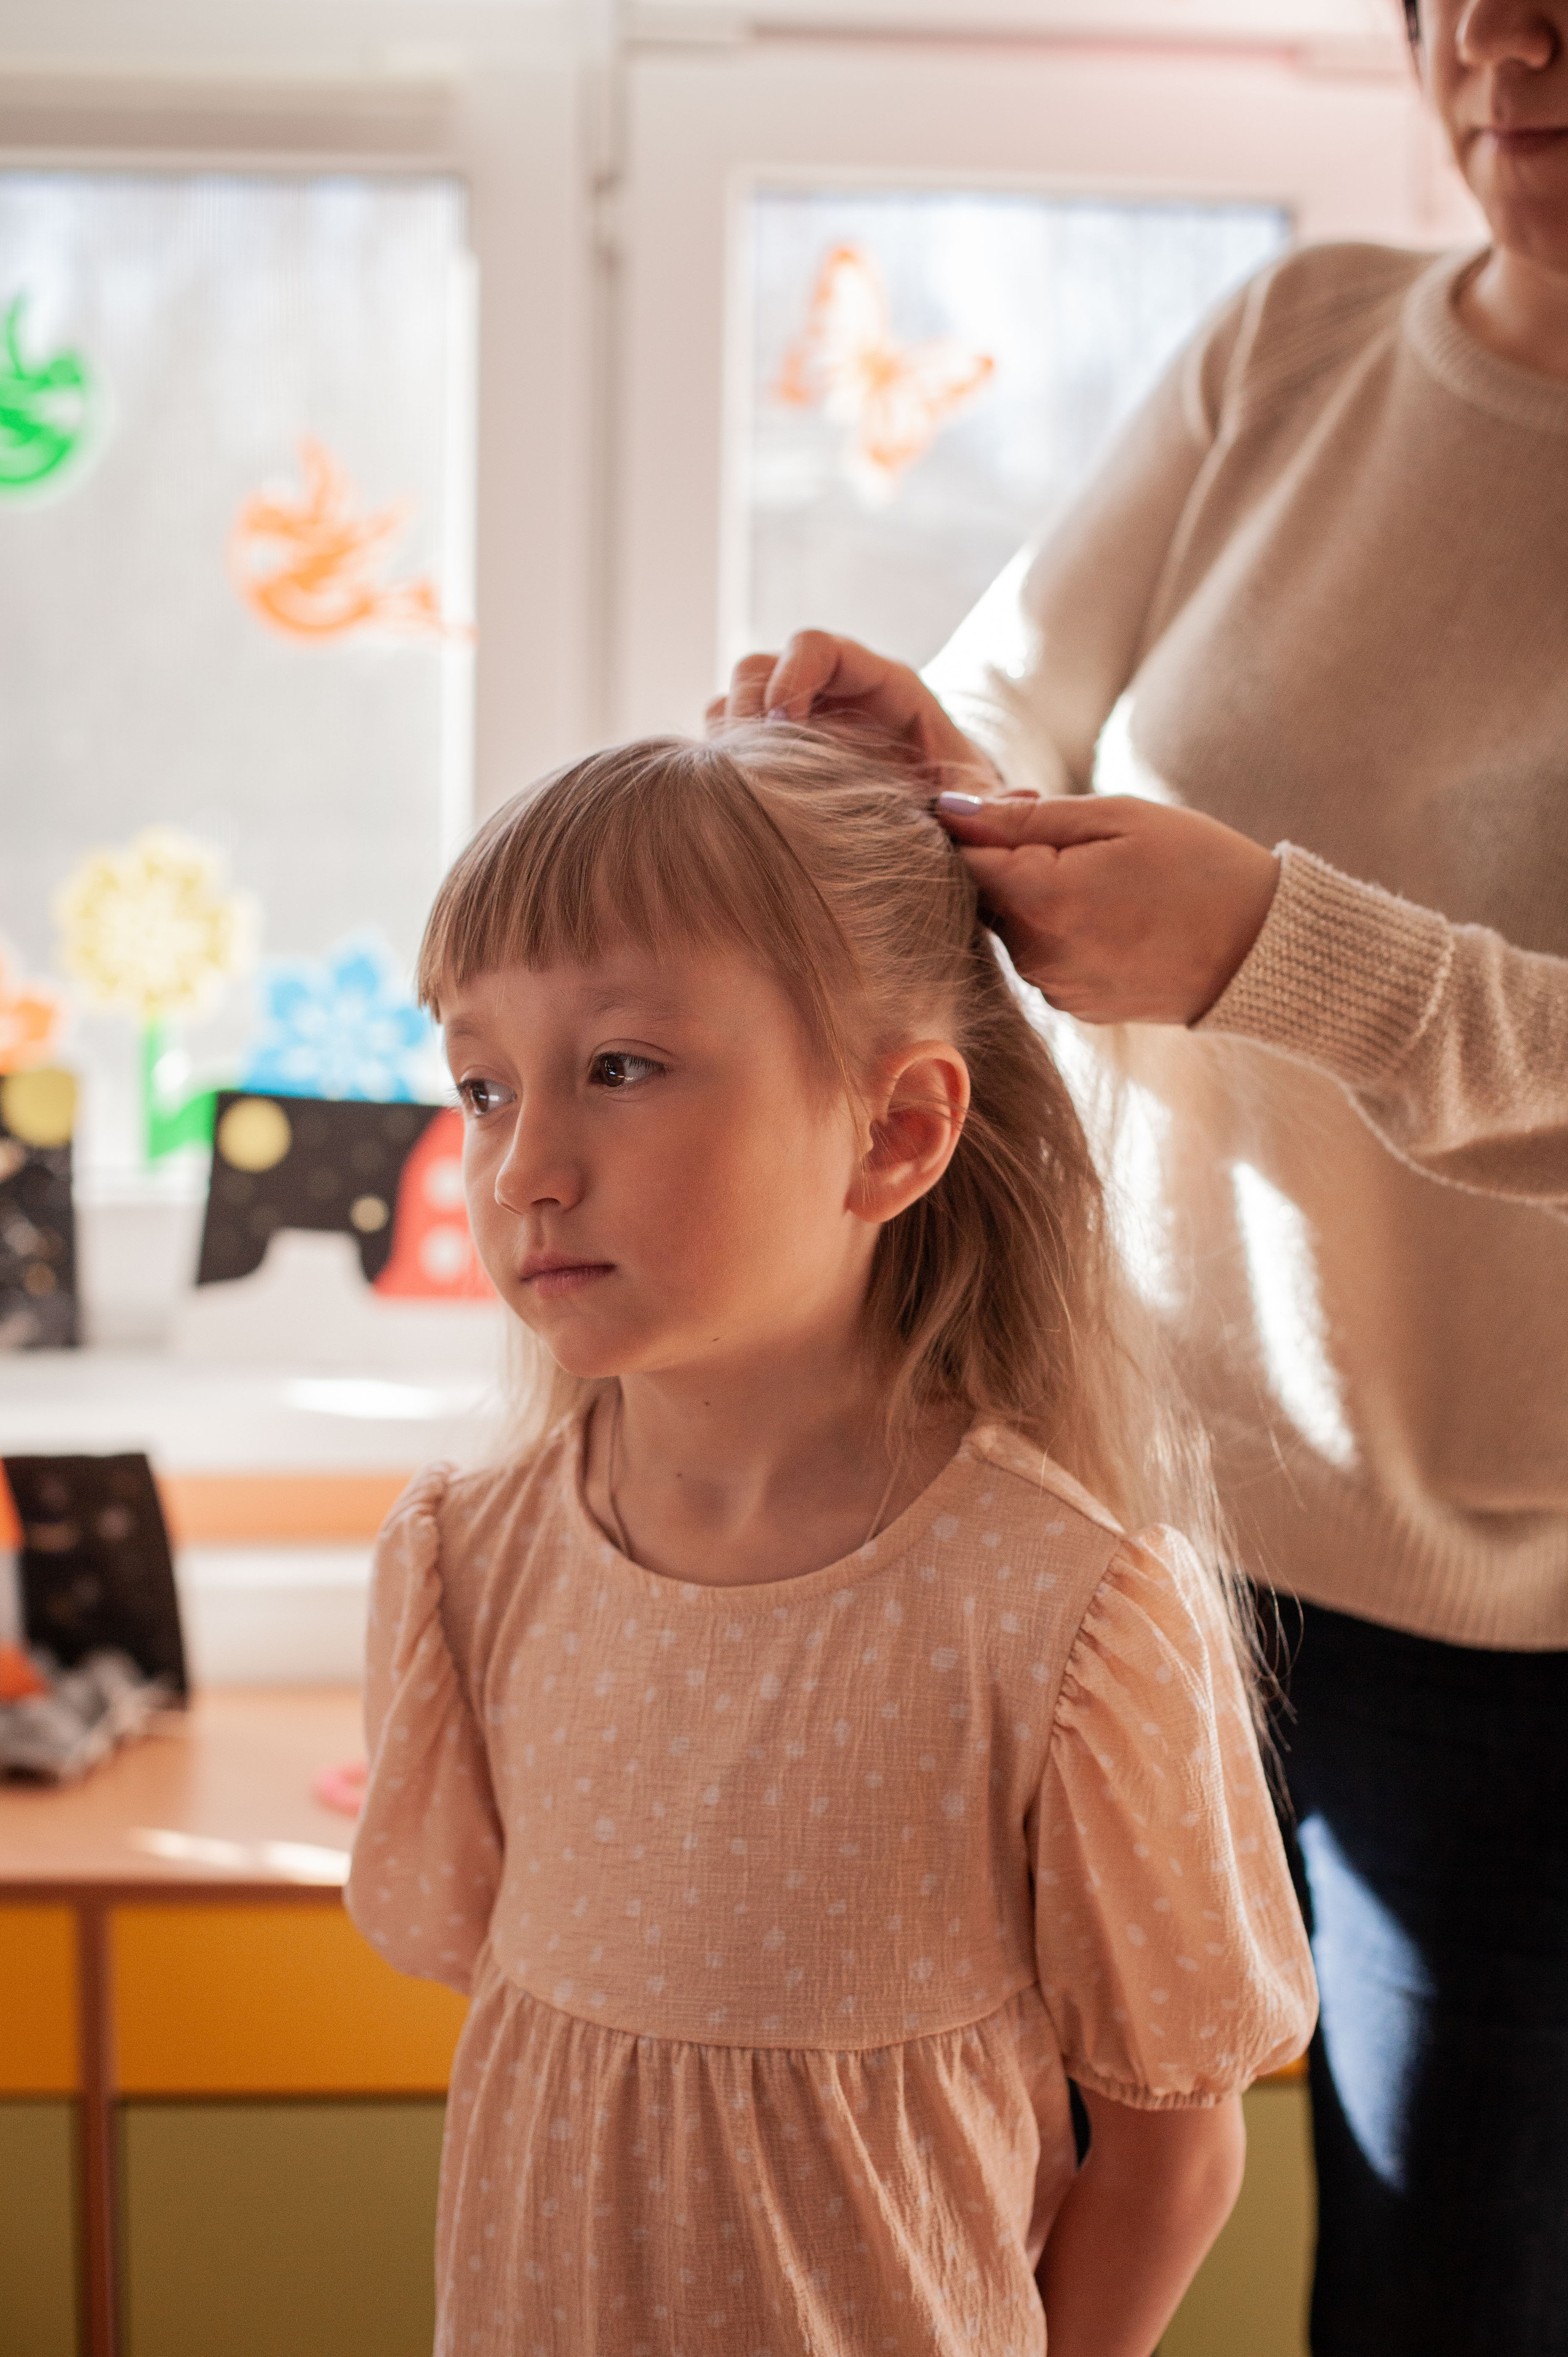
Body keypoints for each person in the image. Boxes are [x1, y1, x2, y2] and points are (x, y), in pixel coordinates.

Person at [708, 5, 1568, 2351]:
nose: (1508, 42)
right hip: (1121, 1524)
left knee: (1448, 2289)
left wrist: (1294, 953)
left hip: (1513, 1644)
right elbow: (1033, 744)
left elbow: (1261, 936)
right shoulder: (1292, 349)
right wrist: (930, 774)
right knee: (981, 2228)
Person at [346, 727, 1315, 2356]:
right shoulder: (469, 1559)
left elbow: (1168, 2141)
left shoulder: (1067, 1615)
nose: (523, 1169)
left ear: (894, 1135)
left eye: (624, 1066)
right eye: (483, 1084)